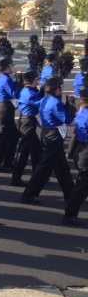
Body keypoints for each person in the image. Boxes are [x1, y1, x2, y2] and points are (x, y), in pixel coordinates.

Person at [21, 77, 74, 207]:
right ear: (56, 90)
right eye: (59, 88)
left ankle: (71, 194)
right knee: (44, 168)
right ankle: (29, 194)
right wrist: (69, 105)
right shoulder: (55, 103)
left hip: (47, 133)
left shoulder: (45, 99)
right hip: (53, 136)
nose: (61, 90)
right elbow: (66, 119)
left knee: (62, 168)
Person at [11, 69, 42, 187]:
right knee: (24, 152)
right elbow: (40, 103)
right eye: (37, 79)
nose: (38, 81)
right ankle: (16, 178)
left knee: (36, 150)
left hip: (26, 121)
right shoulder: (30, 93)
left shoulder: (27, 90)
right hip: (27, 123)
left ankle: (37, 174)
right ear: (33, 80)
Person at [64, 88, 88, 226]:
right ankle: (70, 214)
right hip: (85, 152)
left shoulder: (81, 112)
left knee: (82, 184)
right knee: (81, 186)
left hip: (80, 151)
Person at [0, 57, 19, 172]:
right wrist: (19, 83)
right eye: (12, 65)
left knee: (11, 136)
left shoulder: (0, 77)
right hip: (5, 109)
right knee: (4, 137)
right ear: (7, 67)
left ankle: (7, 161)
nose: (13, 67)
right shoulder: (7, 79)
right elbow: (14, 94)